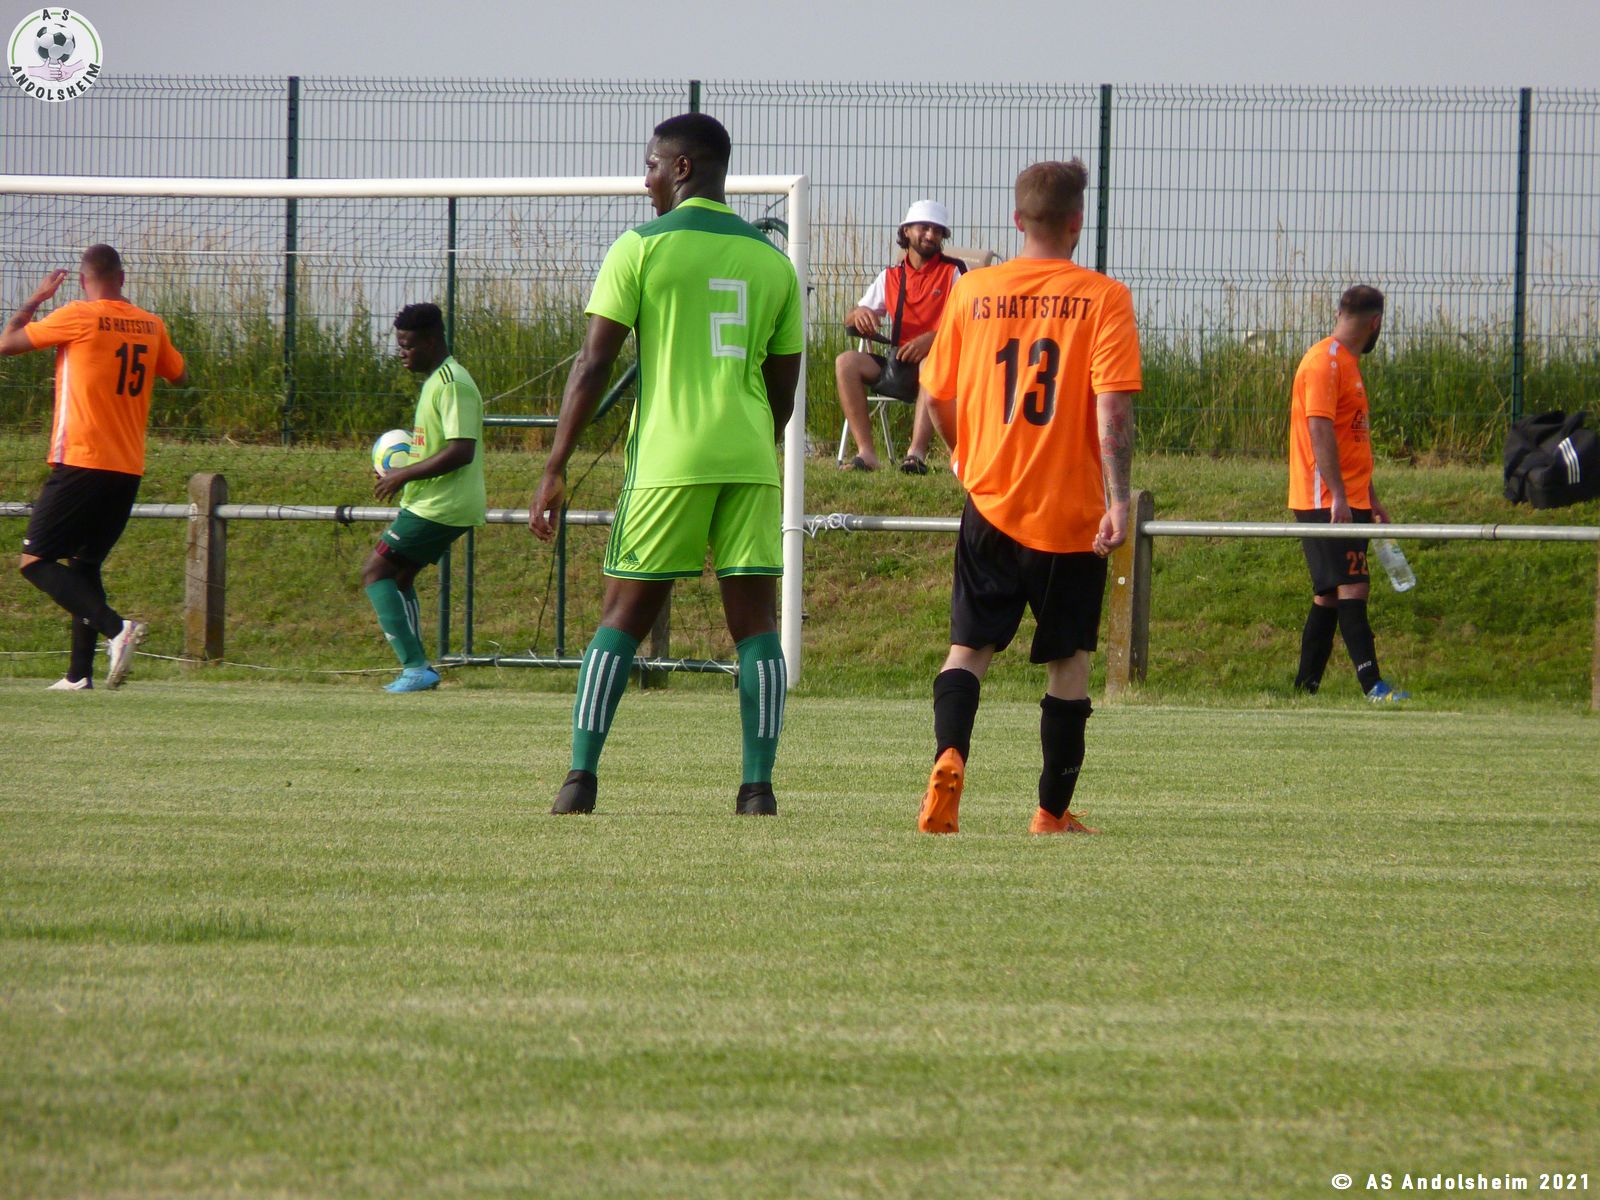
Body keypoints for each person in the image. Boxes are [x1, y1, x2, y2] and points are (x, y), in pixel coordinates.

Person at [530, 112, 804, 817]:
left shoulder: (640, 247)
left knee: (622, 616)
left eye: (651, 165)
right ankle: (758, 790)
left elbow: (593, 363)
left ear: (682, 168)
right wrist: (751, 441)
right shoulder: (774, 263)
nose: (644, 179)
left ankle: (579, 780)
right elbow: (783, 389)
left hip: (668, 458)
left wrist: (555, 465)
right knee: (757, 627)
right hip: (750, 458)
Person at [915, 160, 1140, 836]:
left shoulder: (972, 290)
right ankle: (1050, 811)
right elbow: (1113, 408)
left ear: (1017, 220)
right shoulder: (1104, 297)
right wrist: (1119, 500)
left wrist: (962, 454)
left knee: (967, 650)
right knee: (1069, 663)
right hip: (1070, 513)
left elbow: (937, 393)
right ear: (1077, 221)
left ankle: (950, 756)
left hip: (990, 502)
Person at [0, 244, 187, 690]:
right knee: (84, 565)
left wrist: (34, 301)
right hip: (127, 467)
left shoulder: (78, 315)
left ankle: (117, 629)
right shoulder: (151, 323)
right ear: (122, 278)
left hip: (82, 459)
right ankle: (78, 675)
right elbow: (179, 375)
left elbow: (6, 344)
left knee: (34, 561)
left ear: (84, 281)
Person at [1288, 285, 1408, 702]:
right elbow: (1319, 430)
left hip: (1348, 498)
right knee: (1354, 587)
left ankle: (1304, 688)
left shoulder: (1348, 364)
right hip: (1325, 500)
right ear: (1376, 323)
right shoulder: (1324, 362)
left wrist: (1370, 497)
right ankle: (1373, 686)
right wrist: (1338, 495)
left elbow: (1351, 439)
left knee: (1328, 595)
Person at [361, 302, 486, 693]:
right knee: (399, 576)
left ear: (431, 341)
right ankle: (418, 668)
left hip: (441, 505)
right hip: (433, 502)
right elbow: (434, 446)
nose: (402, 353)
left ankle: (415, 667)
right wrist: (398, 471)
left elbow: (461, 450)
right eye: (399, 345)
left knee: (375, 571)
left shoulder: (452, 383)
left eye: (408, 345)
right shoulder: (436, 381)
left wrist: (403, 474)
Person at [834, 201, 966, 474]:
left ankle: (915, 455)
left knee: (930, 364)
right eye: (924, 228)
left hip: (941, 368)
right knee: (845, 362)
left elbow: (970, 322)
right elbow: (851, 318)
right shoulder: (891, 276)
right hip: (899, 364)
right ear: (906, 231)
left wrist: (933, 340)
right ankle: (866, 454)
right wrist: (859, 313)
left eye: (937, 231)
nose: (931, 235)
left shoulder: (953, 272)